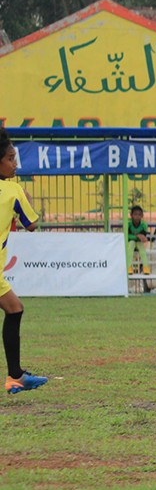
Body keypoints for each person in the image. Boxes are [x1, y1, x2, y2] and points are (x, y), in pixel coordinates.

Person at [0, 129, 48, 395]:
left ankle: (15, 376)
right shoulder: (13, 189)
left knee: (14, 308)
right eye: (10, 158)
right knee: (14, 309)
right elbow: (32, 224)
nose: (15, 164)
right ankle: (15, 376)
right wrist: (26, 200)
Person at [126, 205, 151, 275]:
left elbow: (144, 237)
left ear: (142, 215)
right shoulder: (128, 224)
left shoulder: (143, 225)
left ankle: (145, 267)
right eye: (135, 214)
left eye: (139, 214)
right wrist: (137, 236)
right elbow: (127, 236)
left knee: (142, 248)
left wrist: (140, 237)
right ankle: (129, 267)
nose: (137, 216)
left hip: (139, 242)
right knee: (131, 244)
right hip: (130, 242)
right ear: (131, 215)